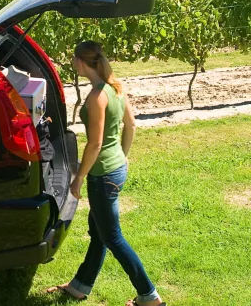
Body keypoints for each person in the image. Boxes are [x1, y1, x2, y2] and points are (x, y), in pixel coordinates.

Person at [47, 41, 164, 306]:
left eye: (73, 59)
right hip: (115, 168)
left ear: (81, 62)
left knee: (112, 237)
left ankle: (149, 296)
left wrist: (79, 177)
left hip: (103, 176)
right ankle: (80, 285)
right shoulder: (116, 87)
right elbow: (131, 125)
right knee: (99, 230)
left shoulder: (97, 96)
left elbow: (96, 143)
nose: (72, 63)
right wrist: (123, 156)